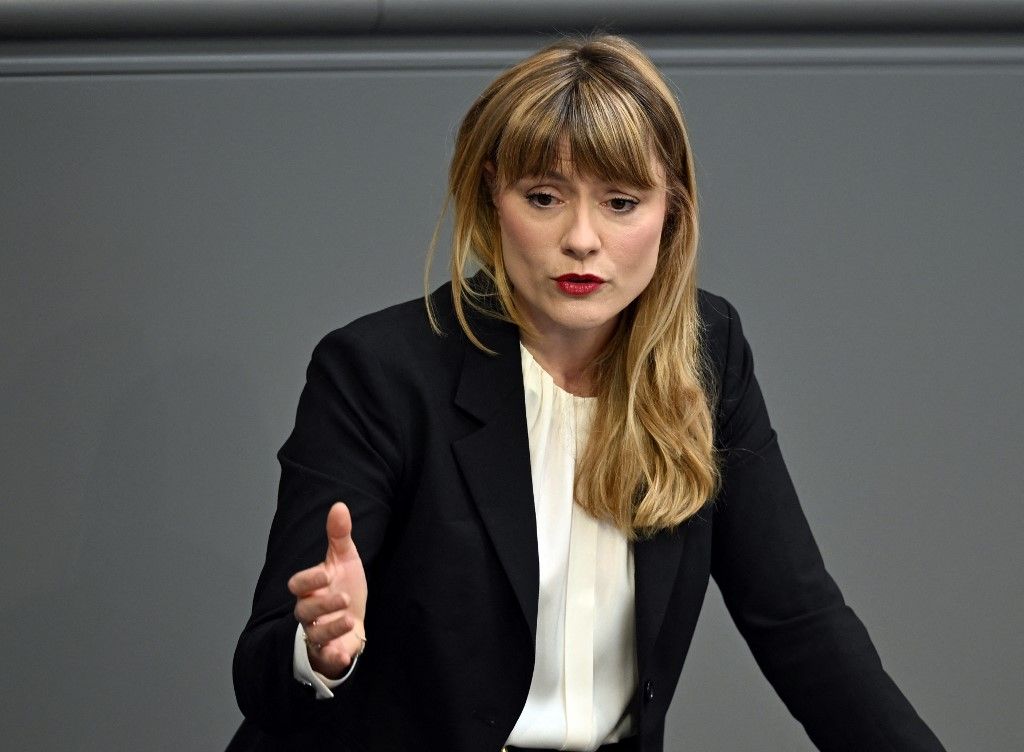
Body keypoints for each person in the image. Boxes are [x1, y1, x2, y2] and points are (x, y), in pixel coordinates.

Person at [230, 35, 945, 752]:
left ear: (673, 212)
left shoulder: (705, 355)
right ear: (491, 197)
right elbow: (263, 674)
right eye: (543, 197)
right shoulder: (379, 371)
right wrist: (320, 649)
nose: (581, 239)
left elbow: (801, 625)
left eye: (621, 202)